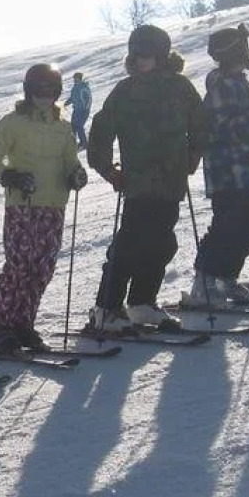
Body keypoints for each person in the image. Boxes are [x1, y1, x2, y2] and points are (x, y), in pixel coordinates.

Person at [85, 24, 205, 331]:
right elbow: (100, 133)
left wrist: (194, 153)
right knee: (129, 244)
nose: (140, 60)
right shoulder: (126, 92)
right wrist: (109, 171)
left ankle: (141, 302)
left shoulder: (180, 87)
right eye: (136, 54)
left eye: (147, 54)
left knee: (162, 243)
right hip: (137, 183)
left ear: (162, 55)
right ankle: (106, 308)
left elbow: (201, 122)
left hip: (171, 181)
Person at [0, 62, 87, 352]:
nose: (44, 96)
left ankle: (23, 324)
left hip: (54, 206)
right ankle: (0, 325)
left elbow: (70, 162)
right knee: (20, 266)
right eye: (38, 90)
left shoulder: (62, 128)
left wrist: (76, 175)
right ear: (28, 91)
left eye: (50, 91)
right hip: (23, 206)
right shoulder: (13, 123)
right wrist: (8, 176)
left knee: (42, 268)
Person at [185, 24, 249, 306]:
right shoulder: (222, 85)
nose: (248, 52)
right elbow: (224, 127)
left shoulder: (241, 83)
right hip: (228, 170)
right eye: (243, 48)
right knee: (229, 224)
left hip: (247, 167)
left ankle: (226, 277)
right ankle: (205, 281)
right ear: (234, 52)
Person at [65, 71, 93, 150]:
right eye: (74, 78)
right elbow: (72, 98)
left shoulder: (84, 87)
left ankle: (84, 143)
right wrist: (67, 103)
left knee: (79, 126)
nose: (74, 80)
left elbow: (89, 98)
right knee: (73, 127)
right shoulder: (75, 88)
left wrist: (86, 108)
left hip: (83, 111)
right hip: (76, 110)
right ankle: (74, 144)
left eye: (75, 78)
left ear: (79, 78)